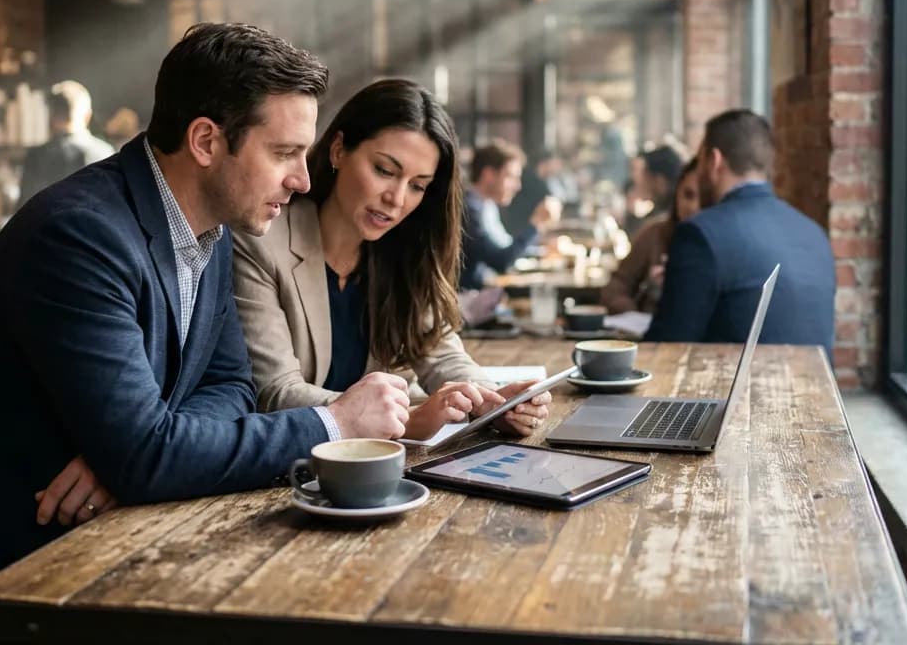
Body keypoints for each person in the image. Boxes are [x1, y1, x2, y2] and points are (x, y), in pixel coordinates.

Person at [0, 23, 411, 644]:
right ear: (205, 141)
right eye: (283, 153)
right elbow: (147, 453)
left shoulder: (213, 227)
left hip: (78, 556)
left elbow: (229, 385)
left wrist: (140, 453)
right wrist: (337, 426)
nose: (302, 179)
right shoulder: (79, 234)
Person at [233, 79, 550, 440]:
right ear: (338, 150)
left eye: (417, 185)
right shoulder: (262, 241)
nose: (397, 199)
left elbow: (442, 355)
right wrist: (407, 421)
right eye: (384, 170)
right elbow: (275, 393)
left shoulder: (403, 250)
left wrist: (491, 402)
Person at [642, 110, 836, 357]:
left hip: (733, 393)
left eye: (700, 161)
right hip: (813, 393)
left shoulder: (699, 234)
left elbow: (665, 348)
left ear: (714, 161)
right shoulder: (814, 233)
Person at [602, 157, 701, 314]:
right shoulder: (654, 233)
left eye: (704, 198)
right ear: (677, 193)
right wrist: (631, 313)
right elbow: (616, 286)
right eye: (688, 195)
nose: (694, 206)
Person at [459, 139, 560, 290]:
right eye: (510, 177)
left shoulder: (487, 206)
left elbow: (507, 248)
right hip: (469, 303)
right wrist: (536, 223)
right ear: (488, 175)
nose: (517, 186)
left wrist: (542, 250)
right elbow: (501, 261)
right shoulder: (469, 210)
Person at [17, 80, 116, 205]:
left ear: (52, 116)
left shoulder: (36, 157)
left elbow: (24, 209)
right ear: (87, 116)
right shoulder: (106, 153)